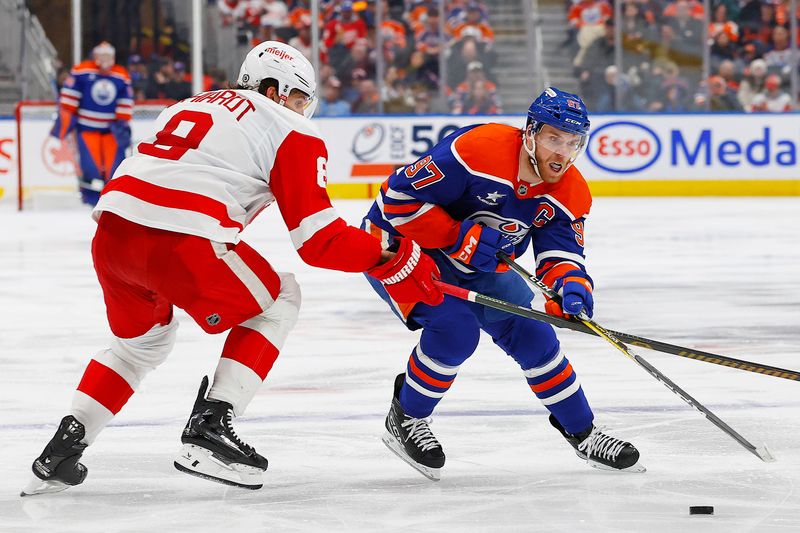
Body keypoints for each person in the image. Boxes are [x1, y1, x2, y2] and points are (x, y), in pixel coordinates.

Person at [22, 41, 443, 496]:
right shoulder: (287, 127)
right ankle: (211, 424)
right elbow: (320, 241)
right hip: (181, 239)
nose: (302, 110)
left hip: (112, 236)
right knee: (280, 299)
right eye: (299, 98)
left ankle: (66, 444)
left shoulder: (188, 104)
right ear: (275, 89)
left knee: (139, 345)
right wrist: (394, 255)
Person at [361, 87, 644, 480]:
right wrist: (456, 235)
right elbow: (396, 200)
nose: (562, 152)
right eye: (553, 138)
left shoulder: (570, 191)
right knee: (455, 331)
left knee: (535, 335)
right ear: (530, 133)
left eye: (572, 142)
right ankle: (406, 417)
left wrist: (572, 287)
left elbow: (560, 255)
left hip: (480, 262)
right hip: (403, 246)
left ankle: (582, 431)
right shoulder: (477, 150)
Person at [53, 42, 133, 206]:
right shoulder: (82, 70)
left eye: (109, 56)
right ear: (95, 56)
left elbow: (126, 100)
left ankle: (113, 198)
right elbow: (69, 97)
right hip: (86, 128)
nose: (106, 60)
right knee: (90, 166)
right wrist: (66, 119)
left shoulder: (121, 74)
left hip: (111, 130)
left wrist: (122, 123)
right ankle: (91, 197)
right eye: (102, 56)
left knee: (114, 166)